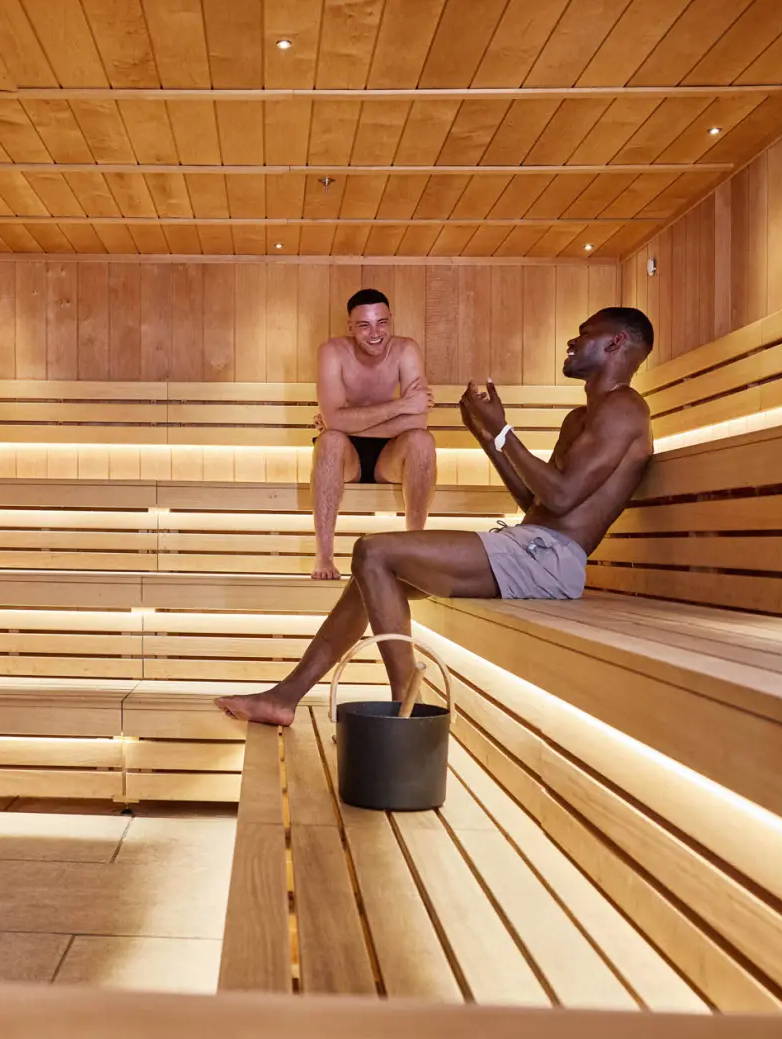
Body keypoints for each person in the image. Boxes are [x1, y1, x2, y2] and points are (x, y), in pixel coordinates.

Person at [217, 307, 656, 728]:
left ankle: (405, 707)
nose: (573, 341)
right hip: (532, 547)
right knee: (370, 576)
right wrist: (487, 437)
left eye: (585, 332)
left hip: (550, 561)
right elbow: (536, 502)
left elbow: (560, 499)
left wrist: (504, 430)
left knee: (373, 550)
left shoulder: (624, 409)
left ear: (615, 342)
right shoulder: (583, 416)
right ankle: (285, 697)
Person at [309, 289, 437, 581]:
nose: (375, 332)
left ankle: (414, 550)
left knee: (421, 440)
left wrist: (344, 421)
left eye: (382, 322)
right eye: (364, 325)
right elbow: (334, 422)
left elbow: (418, 422)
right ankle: (324, 555)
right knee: (330, 440)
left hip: (391, 455)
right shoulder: (332, 352)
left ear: (391, 319)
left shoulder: (406, 350)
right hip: (346, 455)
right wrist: (402, 406)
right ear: (350, 327)